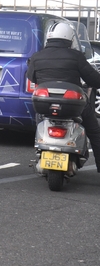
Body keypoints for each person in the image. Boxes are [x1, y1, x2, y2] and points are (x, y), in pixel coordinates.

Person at [27, 21, 100, 172]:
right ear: (70, 38)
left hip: (44, 104)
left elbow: (31, 77)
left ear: (49, 37)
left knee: (40, 119)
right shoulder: (76, 56)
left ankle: (41, 151)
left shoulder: (36, 57)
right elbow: (94, 80)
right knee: (94, 132)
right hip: (71, 104)